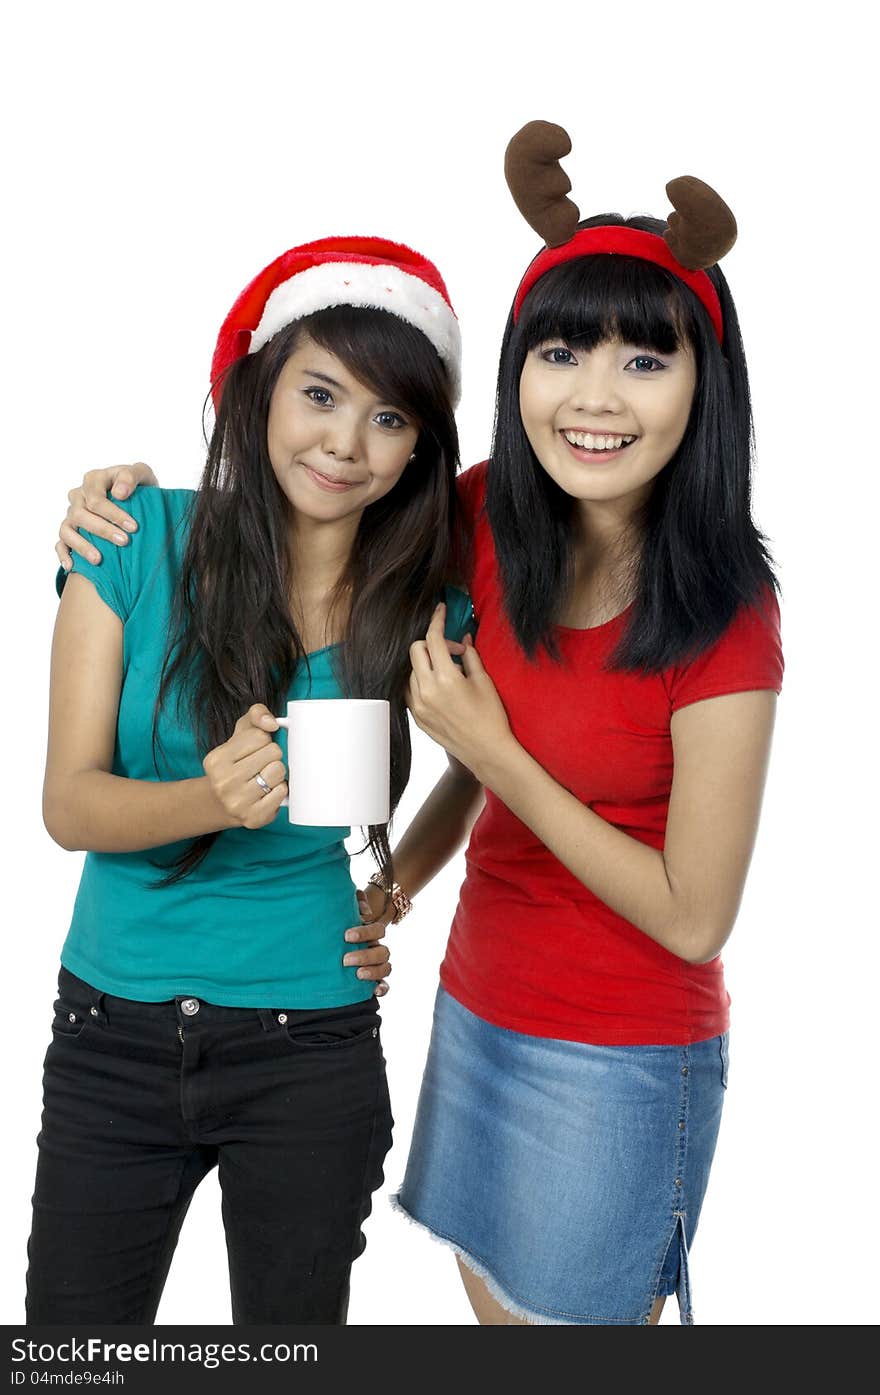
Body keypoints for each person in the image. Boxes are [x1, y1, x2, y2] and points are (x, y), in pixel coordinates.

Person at [54, 122, 784, 1327]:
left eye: (646, 365)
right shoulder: (488, 520)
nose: (595, 398)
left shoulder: (724, 616)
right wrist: (111, 502)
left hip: (617, 1046)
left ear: (705, 387)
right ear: (516, 374)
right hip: (476, 1004)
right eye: (561, 353)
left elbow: (692, 912)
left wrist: (488, 754)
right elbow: (327, 535)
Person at [32, 235, 475, 1325]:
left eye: (389, 418)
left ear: (418, 449)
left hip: (310, 1042)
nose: (345, 443)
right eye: (320, 394)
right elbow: (68, 803)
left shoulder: (421, 608)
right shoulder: (134, 540)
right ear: (260, 390)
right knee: (72, 1347)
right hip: (112, 1032)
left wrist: (394, 888)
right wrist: (208, 800)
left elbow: (482, 764)